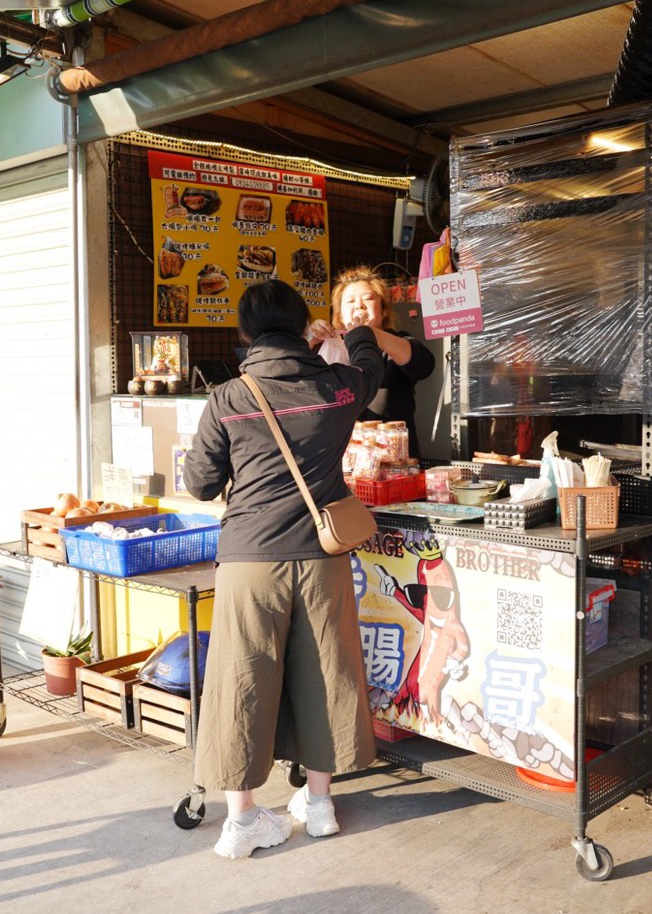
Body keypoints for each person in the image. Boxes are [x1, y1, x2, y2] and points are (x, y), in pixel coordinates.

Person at [182, 279, 387, 859]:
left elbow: (198, 483)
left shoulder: (229, 397)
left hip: (249, 562)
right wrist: (354, 331)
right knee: (327, 671)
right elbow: (370, 362)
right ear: (305, 327)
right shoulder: (339, 386)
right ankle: (319, 805)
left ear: (245, 333)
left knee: (241, 680)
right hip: (322, 555)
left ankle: (243, 821)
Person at [312, 265, 436, 458]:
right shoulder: (328, 349)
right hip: (341, 459)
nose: (359, 306)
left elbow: (424, 365)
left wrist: (369, 335)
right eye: (350, 301)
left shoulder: (396, 342)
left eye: (368, 299)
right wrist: (310, 339)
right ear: (339, 315)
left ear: (384, 310)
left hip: (395, 462)